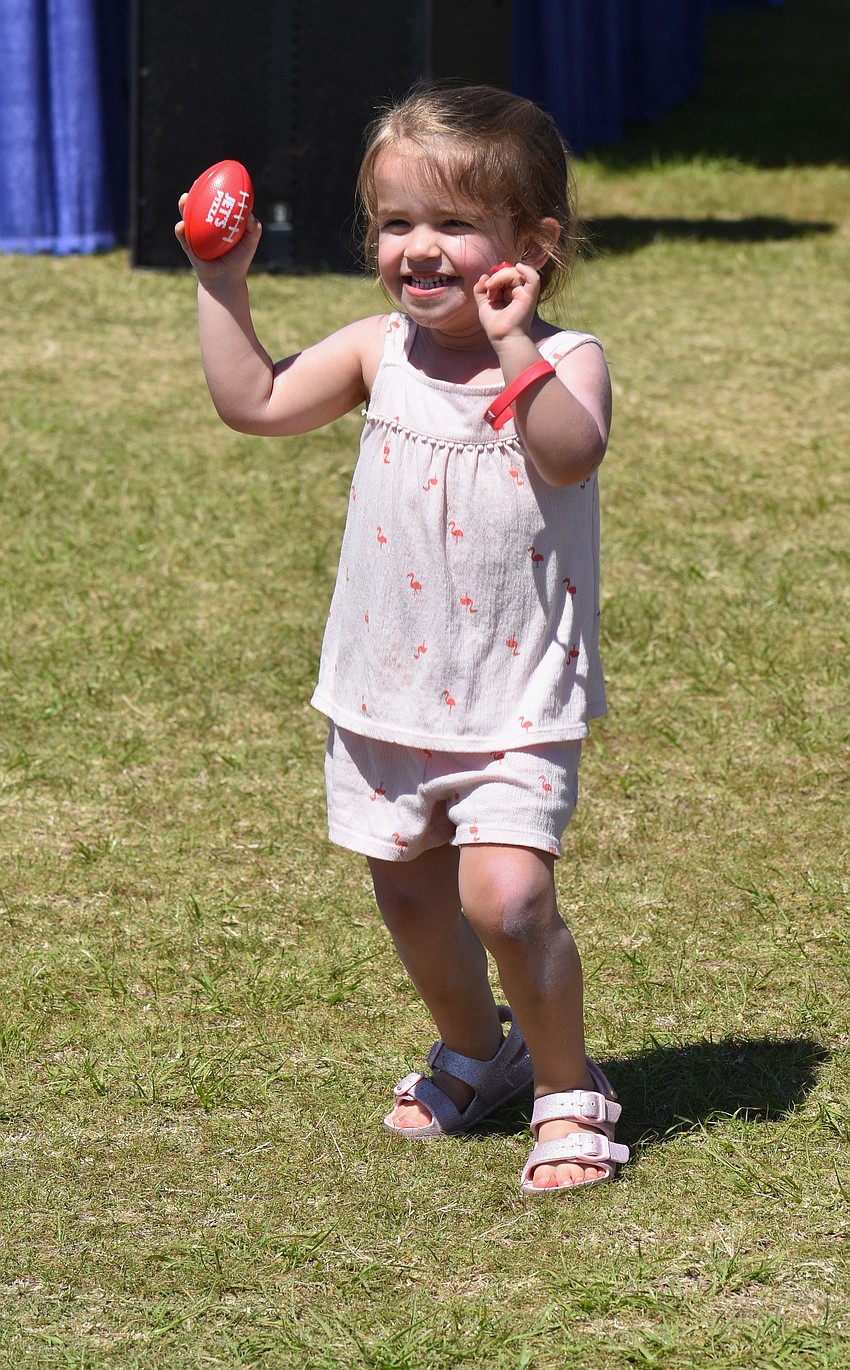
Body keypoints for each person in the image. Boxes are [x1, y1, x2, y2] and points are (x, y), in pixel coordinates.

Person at [176, 84, 629, 1193]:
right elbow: (257, 403)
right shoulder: (379, 352)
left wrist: (514, 337)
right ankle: (481, 1051)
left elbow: (568, 453)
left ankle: (570, 1088)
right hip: (386, 689)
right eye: (393, 223)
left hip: (514, 693)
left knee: (506, 898)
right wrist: (220, 286)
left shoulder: (566, 359)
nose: (417, 249)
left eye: (451, 224)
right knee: (414, 899)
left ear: (533, 244)